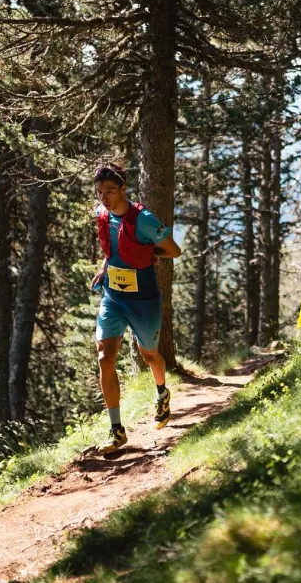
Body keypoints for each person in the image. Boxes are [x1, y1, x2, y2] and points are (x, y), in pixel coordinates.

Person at [90, 162, 182, 453]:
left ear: (124, 189)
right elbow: (113, 248)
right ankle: (116, 430)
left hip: (143, 300)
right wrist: (105, 267)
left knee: (150, 356)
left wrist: (147, 251)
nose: (104, 197)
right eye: (100, 192)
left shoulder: (144, 219)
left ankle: (161, 392)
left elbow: (174, 250)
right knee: (105, 357)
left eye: (111, 191)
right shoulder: (102, 215)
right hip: (113, 297)